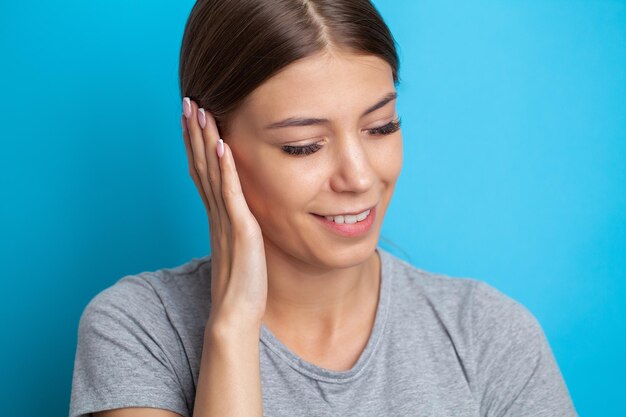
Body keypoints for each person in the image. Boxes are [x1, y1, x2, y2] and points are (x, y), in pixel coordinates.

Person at [69, 1, 578, 416]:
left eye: (381, 127)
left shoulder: (490, 335)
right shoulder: (138, 331)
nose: (358, 177)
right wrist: (234, 323)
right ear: (208, 146)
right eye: (304, 145)